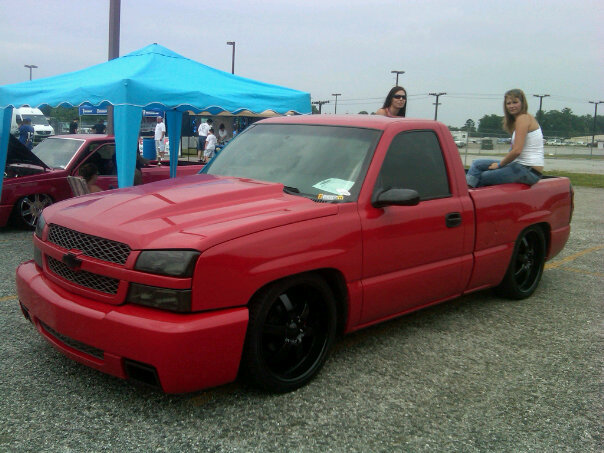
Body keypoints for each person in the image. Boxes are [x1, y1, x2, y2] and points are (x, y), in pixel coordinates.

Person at [466, 89, 544, 188]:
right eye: (508, 103)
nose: (512, 106)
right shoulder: (520, 120)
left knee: (483, 176)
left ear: (522, 103)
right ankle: (467, 190)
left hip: (528, 170)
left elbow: (517, 151)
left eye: (515, 102)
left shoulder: (523, 118)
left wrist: (499, 165)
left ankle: (467, 194)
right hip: (520, 165)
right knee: (477, 164)